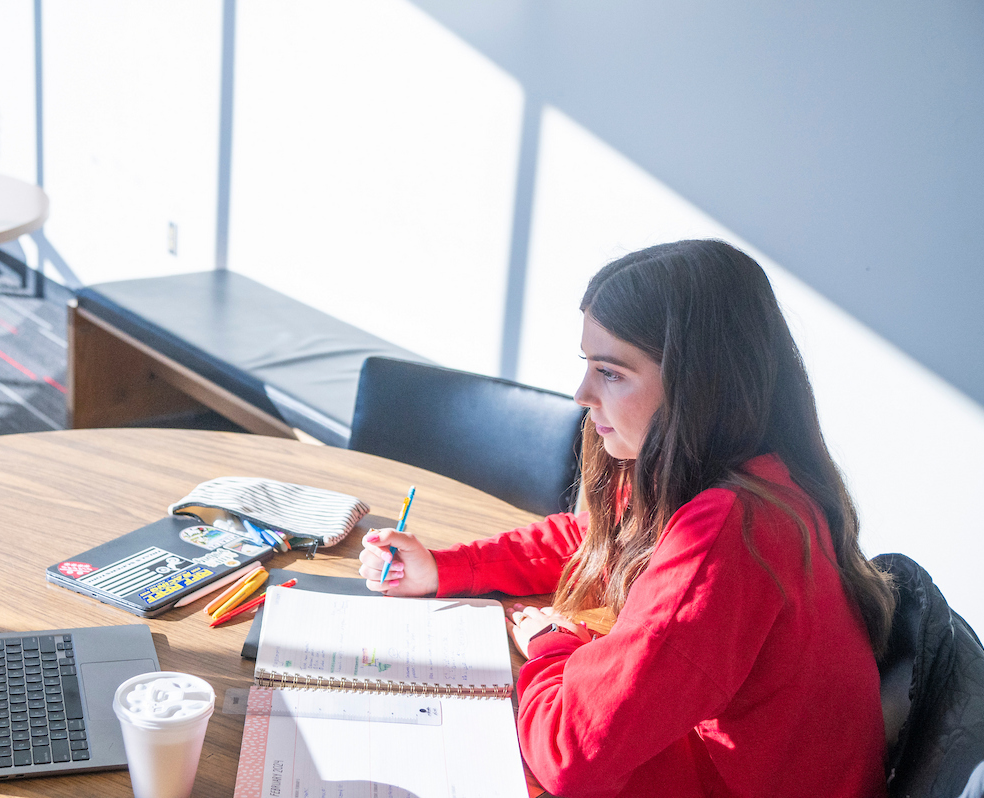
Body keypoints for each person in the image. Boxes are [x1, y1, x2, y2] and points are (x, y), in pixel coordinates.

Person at [358, 240, 895, 798]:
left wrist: (551, 648)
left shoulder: (733, 531)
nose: (581, 393)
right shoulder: (745, 474)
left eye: (611, 373)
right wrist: (445, 569)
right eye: (587, 366)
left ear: (699, 386)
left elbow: (570, 755)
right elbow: (593, 535)